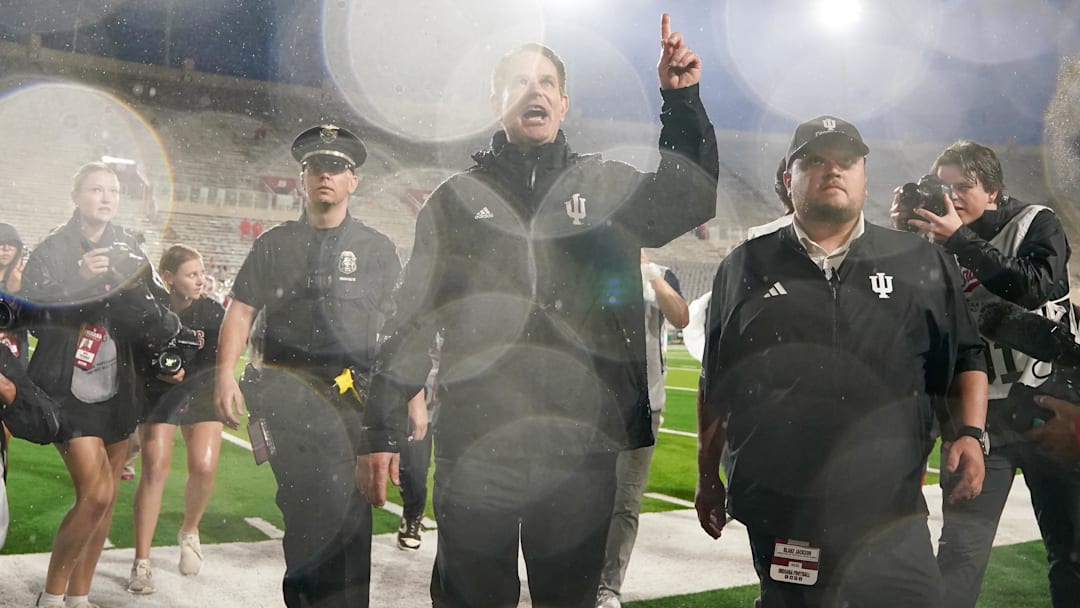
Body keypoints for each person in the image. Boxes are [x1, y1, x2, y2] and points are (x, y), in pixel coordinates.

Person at [356, 14, 719, 607]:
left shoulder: (604, 186)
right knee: (470, 599)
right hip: (477, 442)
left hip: (579, 446)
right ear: (495, 100)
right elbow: (413, 316)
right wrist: (379, 428)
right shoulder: (453, 202)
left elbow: (690, 196)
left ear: (565, 104)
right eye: (521, 80)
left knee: (568, 599)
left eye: (548, 81)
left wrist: (680, 102)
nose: (537, 90)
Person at [696, 116, 988, 608]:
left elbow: (964, 353)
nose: (833, 170)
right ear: (789, 179)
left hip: (891, 509)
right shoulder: (744, 266)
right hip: (785, 512)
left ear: (864, 175)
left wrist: (971, 435)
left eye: (847, 161)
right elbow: (718, 380)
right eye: (814, 160)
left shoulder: (918, 260)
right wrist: (707, 476)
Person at [214, 124, 402, 608]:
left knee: (352, 519)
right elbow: (240, 310)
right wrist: (223, 375)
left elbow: (401, 328)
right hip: (288, 402)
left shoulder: (377, 248)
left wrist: (412, 398)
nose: (326, 175)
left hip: (353, 400)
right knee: (304, 522)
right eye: (317, 166)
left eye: (337, 167)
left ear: (352, 181)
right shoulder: (274, 244)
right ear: (302, 178)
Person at [907, 140, 1080, 608]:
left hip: (1053, 408)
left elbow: (1036, 286)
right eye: (944, 188)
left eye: (965, 186)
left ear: (995, 192)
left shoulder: (1034, 222)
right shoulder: (932, 240)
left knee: (1073, 552)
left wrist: (960, 242)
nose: (953, 197)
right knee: (961, 553)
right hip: (982, 419)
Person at [21, 161, 172, 608]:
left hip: (118, 387)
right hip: (66, 389)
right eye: (95, 190)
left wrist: (134, 299)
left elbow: (161, 317)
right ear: (75, 197)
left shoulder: (132, 251)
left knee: (105, 501)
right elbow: (34, 318)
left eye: (112, 190)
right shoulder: (51, 249)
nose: (106, 198)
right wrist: (78, 282)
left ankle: (79, 598)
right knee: (97, 492)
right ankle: (51, 595)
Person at [127, 244, 225, 594]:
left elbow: (220, 360)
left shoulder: (212, 312)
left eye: (201, 273)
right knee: (155, 467)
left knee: (204, 465)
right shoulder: (151, 310)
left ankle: (190, 530)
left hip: (200, 391)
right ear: (168, 278)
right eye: (191, 274)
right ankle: (142, 561)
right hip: (160, 392)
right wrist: (161, 372)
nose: (201, 281)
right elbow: (137, 354)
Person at [596, 251, 689, 608]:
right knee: (584, 498)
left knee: (626, 501)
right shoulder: (597, 266)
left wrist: (650, 276)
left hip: (642, 404)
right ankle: (580, 575)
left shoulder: (660, 273)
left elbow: (680, 317)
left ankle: (608, 587)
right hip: (594, 403)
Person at [395, 333, 442, 551]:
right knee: (414, 468)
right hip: (418, 404)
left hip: (450, 406)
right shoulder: (423, 313)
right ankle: (412, 516)